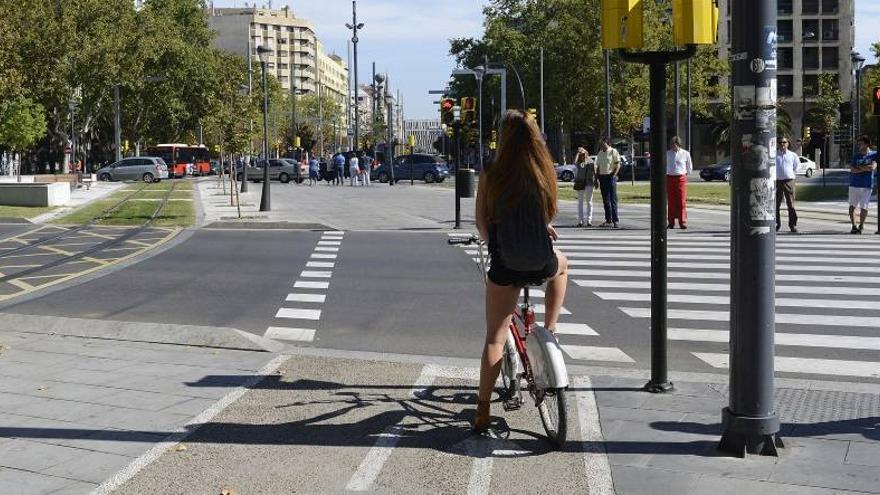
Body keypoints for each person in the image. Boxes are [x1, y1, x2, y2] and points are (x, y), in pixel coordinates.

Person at [472, 109, 569, 432]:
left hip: (506, 261)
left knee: (493, 338)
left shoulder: (492, 172)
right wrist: (543, 227)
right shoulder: (543, 169)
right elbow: (548, 212)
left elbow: (482, 221)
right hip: (541, 259)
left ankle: (483, 410)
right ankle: (551, 328)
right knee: (562, 264)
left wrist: (493, 243)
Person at [849, 135, 877, 234]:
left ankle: (861, 225)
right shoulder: (856, 156)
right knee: (852, 206)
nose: (858, 145)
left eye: (860, 143)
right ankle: (853, 226)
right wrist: (865, 168)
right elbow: (852, 170)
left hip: (867, 185)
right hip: (854, 184)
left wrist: (860, 168)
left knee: (864, 207)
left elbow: (873, 167)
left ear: (866, 144)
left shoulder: (874, 154)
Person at [666, 136, 693, 229]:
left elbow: (689, 167)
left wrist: (685, 175)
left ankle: (682, 222)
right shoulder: (667, 154)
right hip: (670, 178)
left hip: (681, 178)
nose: (672, 147)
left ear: (678, 144)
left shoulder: (685, 153)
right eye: (671, 145)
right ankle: (671, 222)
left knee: (681, 201)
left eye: (674, 145)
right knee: (671, 201)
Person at [595, 136, 621, 228]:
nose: (601, 145)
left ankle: (615, 220)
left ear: (607, 143)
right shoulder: (600, 153)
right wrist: (596, 179)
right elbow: (597, 167)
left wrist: (614, 175)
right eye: (600, 144)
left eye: (602, 143)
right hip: (602, 177)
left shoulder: (613, 151)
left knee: (612, 199)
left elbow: (618, 164)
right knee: (605, 200)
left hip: (610, 176)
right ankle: (608, 220)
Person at [775, 136, 799, 233]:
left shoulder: (793, 155)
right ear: (777, 144)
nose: (782, 144)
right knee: (776, 204)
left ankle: (792, 225)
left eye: (784, 142)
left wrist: (792, 175)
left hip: (789, 181)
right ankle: (777, 224)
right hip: (777, 181)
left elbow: (796, 167)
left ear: (788, 144)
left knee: (791, 204)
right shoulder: (774, 155)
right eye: (780, 142)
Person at [573, 147, 597, 227]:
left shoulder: (591, 162)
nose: (582, 156)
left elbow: (595, 172)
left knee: (589, 202)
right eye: (581, 154)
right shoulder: (579, 163)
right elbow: (574, 162)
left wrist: (596, 181)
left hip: (589, 184)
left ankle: (589, 220)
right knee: (580, 202)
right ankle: (580, 221)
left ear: (587, 154)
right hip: (580, 184)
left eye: (584, 154)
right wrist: (578, 152)